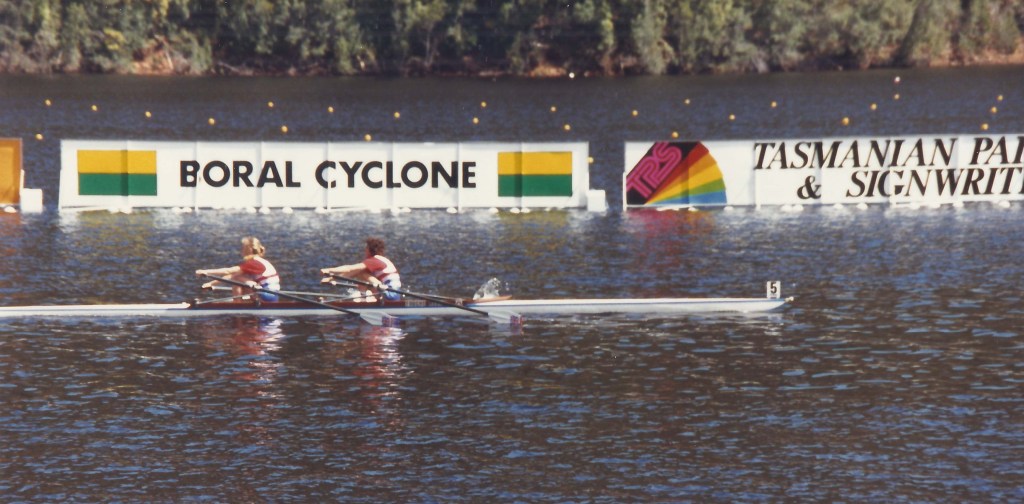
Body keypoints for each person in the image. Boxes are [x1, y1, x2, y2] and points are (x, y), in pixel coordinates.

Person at [196, 236, 281, 302]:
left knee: (237, 279)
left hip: (267, 295)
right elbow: (230, 276)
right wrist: (211, 284)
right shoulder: (261, 261)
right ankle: (241, 302)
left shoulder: (255, 263)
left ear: (249, 249)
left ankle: (237, 304)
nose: (241, 250)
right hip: (273, 295)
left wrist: (205, 272)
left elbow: (227, 271)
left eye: (243, 248)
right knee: (237, 277)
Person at [320, 237, 402, 302]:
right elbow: (352, 272)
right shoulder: (381, 259)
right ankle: (365, 296)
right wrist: (331, 278)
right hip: (393, 293)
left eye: (366, 248)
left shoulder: (374, 261)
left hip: (391, 294)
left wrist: (328, 270)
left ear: (370, 250)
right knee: (361, 272)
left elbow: (349, 269)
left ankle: (363, 296)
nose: (364, 250)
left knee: (361, 273)